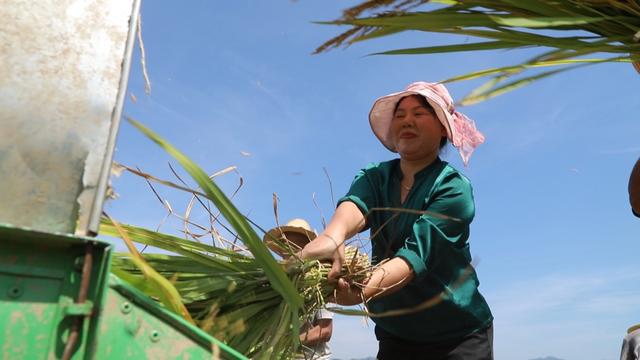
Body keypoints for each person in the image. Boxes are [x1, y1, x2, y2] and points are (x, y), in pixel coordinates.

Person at [298, 82, 493, 359]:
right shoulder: (375, 176)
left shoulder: (452, 188)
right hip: (396, 334)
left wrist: (362, 291)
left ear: (442, 128)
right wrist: (333, 235)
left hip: (458, 336)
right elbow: (356, 205)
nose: (407, 121)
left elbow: (415, 257)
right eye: (400, 115)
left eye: (419, 113)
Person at [263, 218, 334, 360]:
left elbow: (325, 331)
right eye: (286, 246)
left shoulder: (320, 282)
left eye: (296, 247)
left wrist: (288, 341)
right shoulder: (275, 284)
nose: (290, 252)